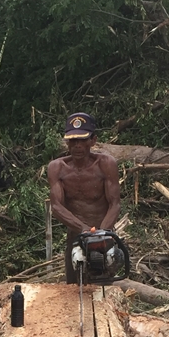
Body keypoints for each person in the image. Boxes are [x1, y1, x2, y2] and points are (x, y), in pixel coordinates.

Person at [47, 112, 121, 283]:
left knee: (104, 287)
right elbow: (57, 206)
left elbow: (115, 203)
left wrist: (102, 234)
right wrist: (84, 230)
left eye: (82, 140)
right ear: (67, 142)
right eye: (73, 141)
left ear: (93, 140)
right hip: (76, 235)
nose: (77, 146)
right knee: (73, 288)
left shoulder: (106, 164)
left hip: (105, 231)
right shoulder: (57, 168)